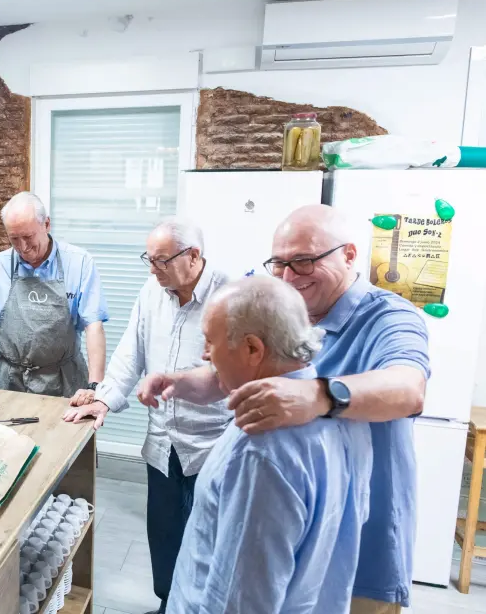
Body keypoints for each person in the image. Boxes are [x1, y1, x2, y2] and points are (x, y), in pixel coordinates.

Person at [142, 205, 430, 614]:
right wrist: (180, 381)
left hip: (367, 540)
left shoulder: (389, 318)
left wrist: (318, 396)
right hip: (318, 531)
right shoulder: (294, 309)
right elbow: (239, 371)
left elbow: (408, 389)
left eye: (304, 261)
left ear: (349, 255)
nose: (289, 276)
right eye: (278, 263)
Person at [167, 275, 373, 614]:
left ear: (252, 348)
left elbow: (239, 598)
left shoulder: (258, 448)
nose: (206, 356)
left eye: (210, 343)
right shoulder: (343, 418)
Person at [63, 218, 231, 614]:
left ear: (193, 256)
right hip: (162, 443)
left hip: (211, 446)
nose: (152, 269)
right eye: (148, 260)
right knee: (165, 536)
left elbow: (231, 373)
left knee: (204, 544)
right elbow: (129, 354)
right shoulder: (153, 291)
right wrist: (104, 400)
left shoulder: (229, 296)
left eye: (160, 261)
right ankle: (167, 605)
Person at [0, 192, 109, 397]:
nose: (23, 248)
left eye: (28, 237)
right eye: (14, 239)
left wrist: (94, 386)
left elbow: (94, 326)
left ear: (46, 224)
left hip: (65, 382)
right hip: (9, 382)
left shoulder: (79, 262)